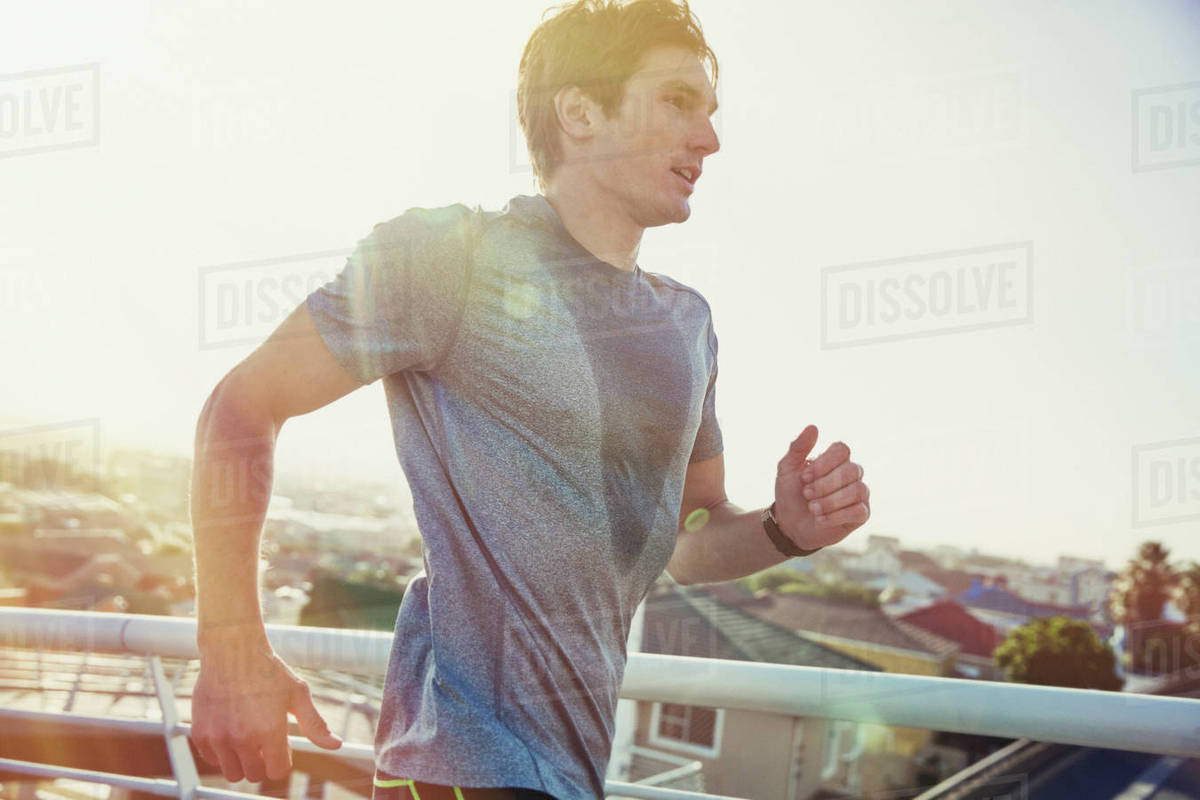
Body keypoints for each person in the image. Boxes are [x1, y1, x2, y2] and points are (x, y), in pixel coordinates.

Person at [187, 1, 871, 798]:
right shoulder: (450, 256)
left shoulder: (689, 326)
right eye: (678, 102)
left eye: (711, 113)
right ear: (579, 111)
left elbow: (683, 540)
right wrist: (233, 649)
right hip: (453, 767)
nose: (709, 139)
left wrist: (787, 529)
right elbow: (239, 408)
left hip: (574, 779)